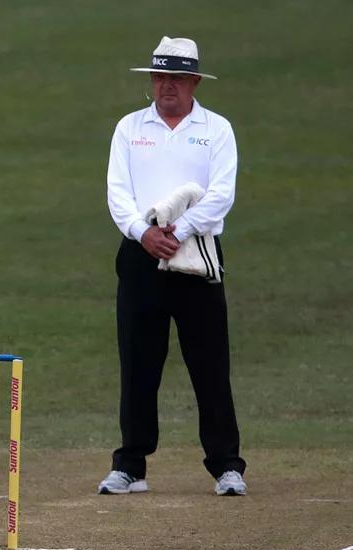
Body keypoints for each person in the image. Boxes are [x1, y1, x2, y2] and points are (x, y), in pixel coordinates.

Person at [100, 37, 247, 496]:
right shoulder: (129, 127)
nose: (168, 85)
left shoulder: (216, 129)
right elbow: (117, 192)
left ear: (194, 82)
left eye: (177, 78)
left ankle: (227, 466)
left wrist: (178, 231)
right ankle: (130, 466)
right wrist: (143, 233)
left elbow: (221, 194)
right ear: (152, 80)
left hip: (196, 254)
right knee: (138, 363)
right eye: (161, 77)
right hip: (140, 254)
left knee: (209, 362)